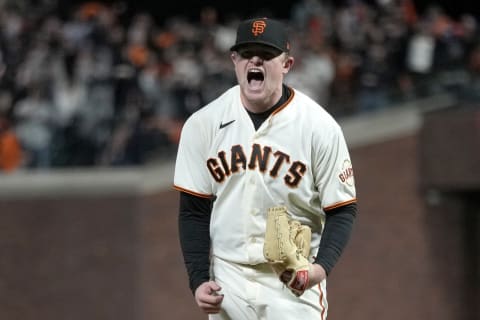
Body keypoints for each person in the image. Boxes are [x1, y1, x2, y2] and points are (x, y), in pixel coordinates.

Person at [173, 17, 357, 319]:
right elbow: (193, 209)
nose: (255, 60)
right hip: (227, 276)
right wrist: (198, 279)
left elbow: (342, 208)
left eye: (267, 54)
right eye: (246, 53)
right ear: (234, 60)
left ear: (287, 64)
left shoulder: (319, 127)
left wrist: (319, 270)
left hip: (293, 280)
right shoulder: (203, 124)